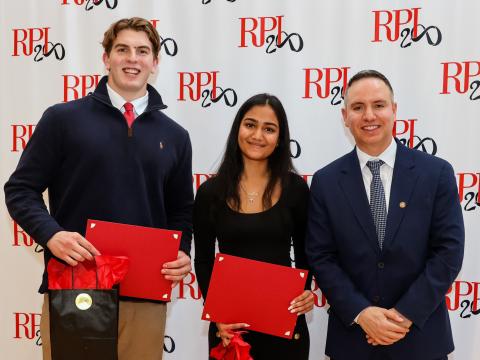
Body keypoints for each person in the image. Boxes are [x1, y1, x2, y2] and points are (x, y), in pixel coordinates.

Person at [4, 17, 193, 360]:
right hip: (74, 286)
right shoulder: (63, 119)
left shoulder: (176, 136)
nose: (132, 59)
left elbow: (181, 210)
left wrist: (183, 250)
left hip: (145, 292)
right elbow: (20, 189)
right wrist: (51, 234)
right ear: (106, 58)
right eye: (122, 50)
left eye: (142, 51)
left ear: (155, 62)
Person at [305, 69, 465, 360]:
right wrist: (362, 312)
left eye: (378, 105)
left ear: (394, 110)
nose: (369, 115)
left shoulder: (436, 173)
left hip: (420, 338)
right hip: (352, 340)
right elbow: (321, 256)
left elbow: (448, 252)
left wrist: (404, 315)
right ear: (345, 116)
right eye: (358, 107)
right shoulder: (326, 181)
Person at [194, 93, 314, 359]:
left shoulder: (296, 189)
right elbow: (203, 261)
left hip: (284, 320)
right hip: (231, 327)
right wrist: (217, 316)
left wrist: (305, 291)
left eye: (269, 129)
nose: (257, 135)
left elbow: (308, 254)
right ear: (238, 128)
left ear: (280, 138)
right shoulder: (209, 193)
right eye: (250, 124)